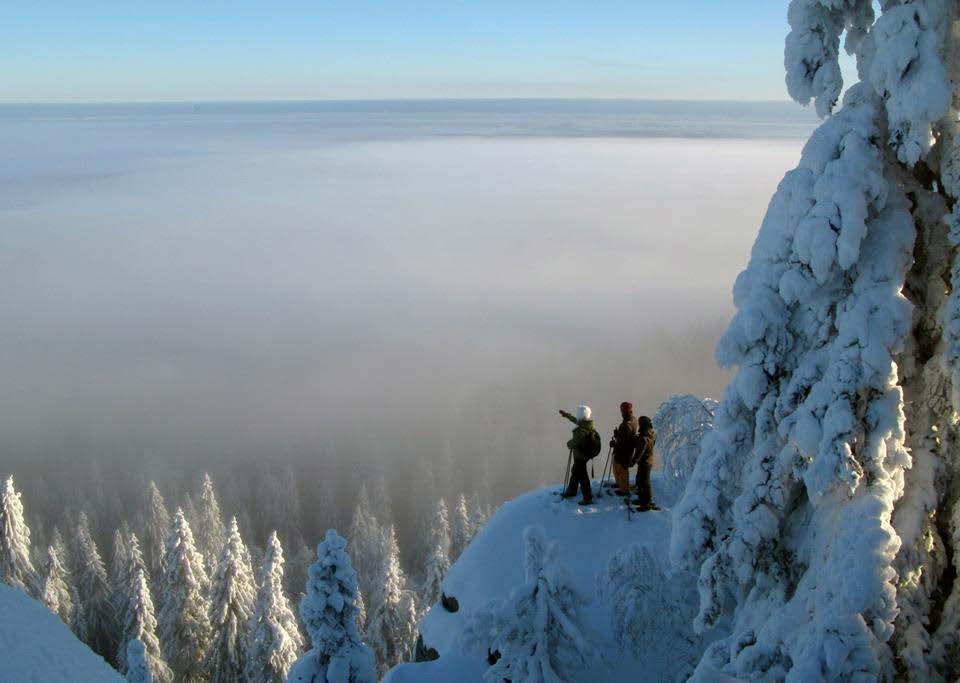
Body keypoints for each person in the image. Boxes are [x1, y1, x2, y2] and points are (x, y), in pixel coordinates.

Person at [558, 405, 599, 505]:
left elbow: (576, 443)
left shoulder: (580, 430)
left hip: (580, 456)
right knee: (576, 472)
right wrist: (566, 415)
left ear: (581, 415)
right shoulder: (588, 424)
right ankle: (571, 491)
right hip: (585, 455)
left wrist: (569, 444)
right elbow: (576, 420)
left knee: (582, 476)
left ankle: (587, 497)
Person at [609, 402, 638, 496]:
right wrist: (618, 434)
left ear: (623, 411)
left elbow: (623, 442)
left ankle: (624, 490)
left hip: (623, 451)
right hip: (628, 450)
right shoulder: (633, 420)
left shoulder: (625, 424)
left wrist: (614, 443)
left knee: (621, 469)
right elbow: (626, 437)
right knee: (619, 467)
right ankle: (621, 485)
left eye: (622, 410)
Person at [633, 415, 658, 510]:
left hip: (645, 462)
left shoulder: (644, 437)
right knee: (640, 480)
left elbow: (639, 452)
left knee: (645, 483)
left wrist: (632, 462)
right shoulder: (651, 433)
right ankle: (642, 500)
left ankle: (646, 504)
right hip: (648, 461)